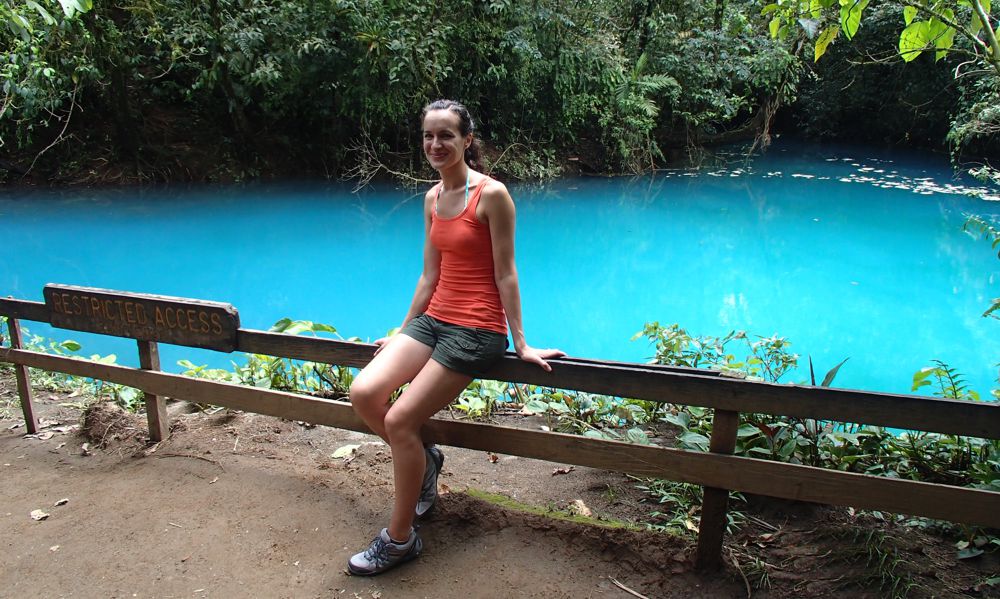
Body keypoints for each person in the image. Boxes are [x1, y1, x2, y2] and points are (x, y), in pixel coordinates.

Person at [346, 99, 565, 576]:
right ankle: (426, 464)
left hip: (477, 329)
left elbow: (506, 274)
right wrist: (402, 331)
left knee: (401, 420)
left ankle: (399, 540)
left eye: (446, 135)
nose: (435, 144)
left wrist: (521, 342)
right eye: (428, 135)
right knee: (364, 392)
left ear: (468, 140)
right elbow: (429, 276)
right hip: (435, 319)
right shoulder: (431, 199)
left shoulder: (492, 195)